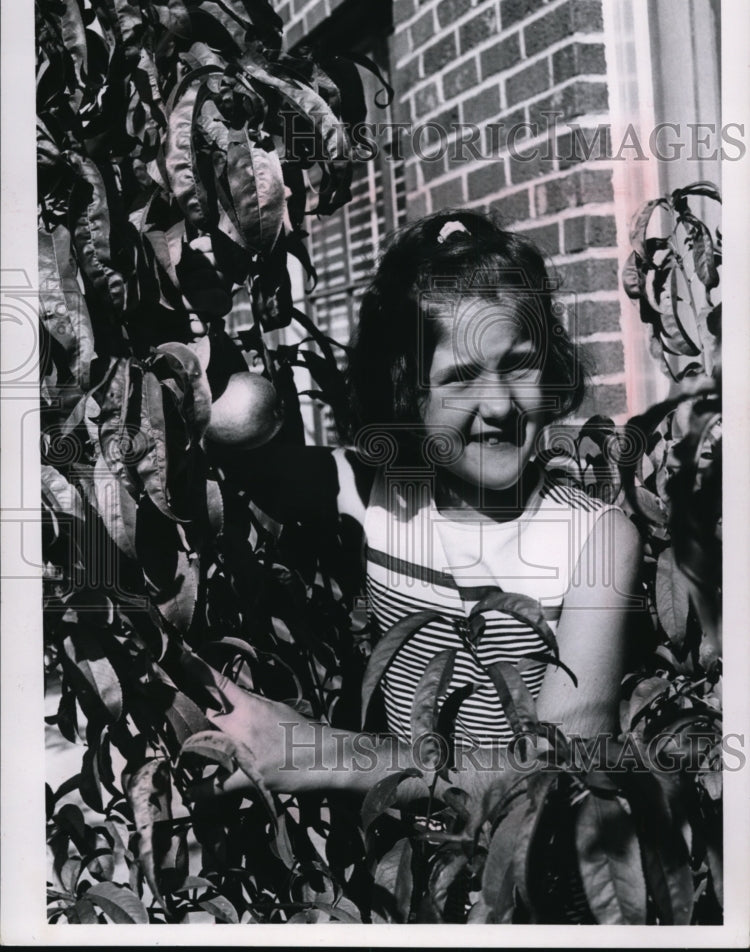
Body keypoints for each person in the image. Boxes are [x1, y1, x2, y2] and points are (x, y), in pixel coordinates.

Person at [183, 209, 642, 809]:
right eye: (459, 378)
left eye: (519, 363)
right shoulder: (376, 489)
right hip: (407, 876)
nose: (499, 406)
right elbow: (219, 459)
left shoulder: (597, 540)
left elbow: (567, 764)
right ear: (407, 391)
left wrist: (318, 752)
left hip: (532, 881)